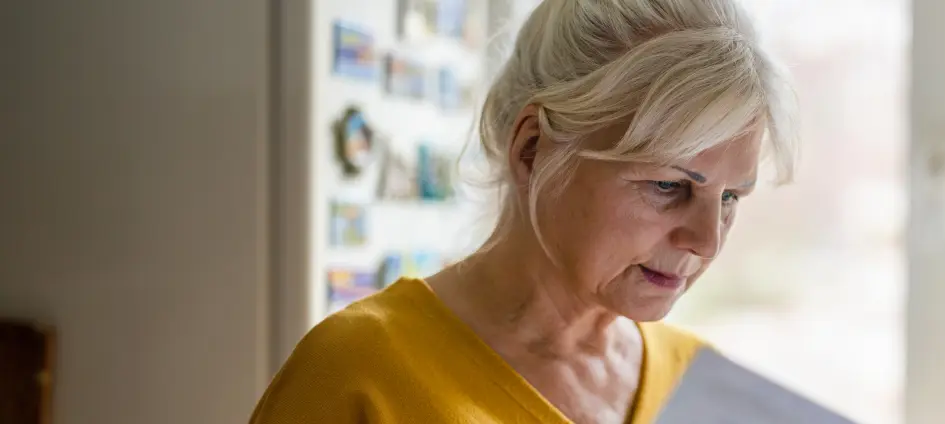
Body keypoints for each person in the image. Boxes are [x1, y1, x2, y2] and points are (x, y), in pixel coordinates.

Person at [249, 0, 795, 422]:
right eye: (667, 185)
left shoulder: (700, 385)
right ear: (532, 150)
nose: (706, 241)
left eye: (729, 199)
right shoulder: (356, 374)